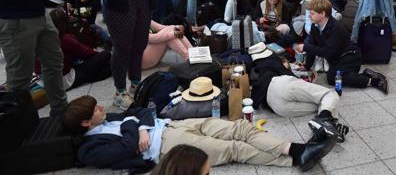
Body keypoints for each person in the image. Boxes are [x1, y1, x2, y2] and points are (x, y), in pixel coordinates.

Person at [62, 95, 337, 172]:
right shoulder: (91, 149)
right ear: (86, 124)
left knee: (238, 127)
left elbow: (139, 112)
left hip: (168, 126)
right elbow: (127, 146)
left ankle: (296, 149)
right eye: (95, 109)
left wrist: (137, 124)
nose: (101, 107)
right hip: (167, 147)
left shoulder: (107, 119)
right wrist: (135, 125)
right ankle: (293, 158)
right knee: (232, 149)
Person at [295, 0, 389, 93]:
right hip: (337, 57)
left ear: (322, 14)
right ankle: (367, 74)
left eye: (312, 14)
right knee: (332, 78)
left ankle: (373, 81)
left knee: (334, 78)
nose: (310, 16)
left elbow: (327, 52)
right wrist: (307, 66)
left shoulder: (336, 28)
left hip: (350, 56)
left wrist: (305, 47)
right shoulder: (315, 26)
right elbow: (312, 45)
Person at [250, 48, 344, 141]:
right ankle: (325, 120)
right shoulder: (275, 60)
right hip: (280, 85)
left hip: (276, 107)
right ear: (284, 61)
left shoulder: (262, 68)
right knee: (330, 93)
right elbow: (290, 79)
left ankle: (327, 126)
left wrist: (309, 84)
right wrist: (309, 83)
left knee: (321, 104)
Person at [36, 8, 112, 90]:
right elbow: (86, 53)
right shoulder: (64, 39)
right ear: (64, 24)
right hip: (63, 79)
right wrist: (98, 55)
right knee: (106, 55)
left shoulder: (40, 36)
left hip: (44, 79)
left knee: (94, 68)